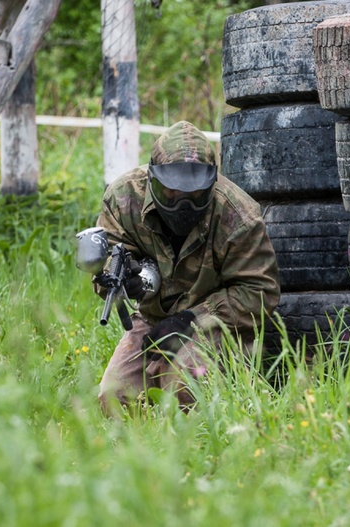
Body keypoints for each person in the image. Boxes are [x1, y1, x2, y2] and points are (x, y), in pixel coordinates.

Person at [94, 120, 280, 414]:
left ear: (211, 183)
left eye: (194, 195)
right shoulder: (124, 199)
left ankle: (208, 418)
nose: (183, 205)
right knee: (114, 397)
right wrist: (123, 279)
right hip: (153, 321)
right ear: (152, 179)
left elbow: (260, 290)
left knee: (183, 385)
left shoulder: (237, 216)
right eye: (170, 192)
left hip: (215, 324)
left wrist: (192, 320)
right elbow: (108, 260)